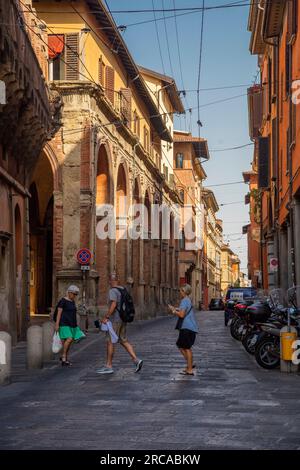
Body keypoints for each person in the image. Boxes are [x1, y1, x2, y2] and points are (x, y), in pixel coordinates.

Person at [96, 273, 143, 375]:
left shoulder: (113, 291)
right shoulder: (123, 289)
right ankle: (136, 360)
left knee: (110, 342)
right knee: (123, 340)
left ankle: (109, 366)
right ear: (118, 280)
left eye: (110, 280)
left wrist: (106, 317)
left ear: (111, 281)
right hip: (123, 319)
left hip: (114, 320)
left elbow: (113, 304)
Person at [168, 284, 199, 376]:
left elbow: (182, 315)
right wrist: (175, 308)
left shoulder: (184, 300)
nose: (180, 292)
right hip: (189, 328)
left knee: (186, 348)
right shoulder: (187, 300)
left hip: (187, 327)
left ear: (184, 291)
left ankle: (189, 369)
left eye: (181, 291)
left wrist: (174, 311)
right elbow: (183, 310)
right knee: (181, 346)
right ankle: (190, 364)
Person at [55, 285, 85, 366]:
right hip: (64, 323)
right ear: (69, 292)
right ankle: (63, 356)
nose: (75, 296)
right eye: (74, 294)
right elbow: (59, 313)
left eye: (76, 294)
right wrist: (57, 324)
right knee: (69, 338)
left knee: (68, 341)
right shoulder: (63, 301)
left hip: (72, 324)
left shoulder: (72, 301)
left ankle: (64, 358)